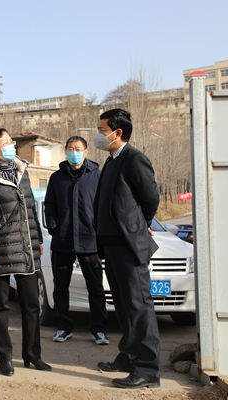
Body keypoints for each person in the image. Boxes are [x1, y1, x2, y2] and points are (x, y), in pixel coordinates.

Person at [0, 127, 51, 377]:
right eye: (5, 143)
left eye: (10, 141)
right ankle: (4, 358)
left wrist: (37, 239)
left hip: (26, 248)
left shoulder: (21, 171)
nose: (11, 146)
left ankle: (32, 354)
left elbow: (30, 209)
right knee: (0, 307)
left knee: (31, 305)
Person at [93, 109, 161, 389]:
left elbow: (150, 198)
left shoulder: (134, 158)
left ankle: (147, 369)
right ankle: (129, 355)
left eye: (101, 129)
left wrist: (142, 223)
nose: (98, 135)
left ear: (117, 132)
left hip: (129, 245)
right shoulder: (111, 161)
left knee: (139, 306)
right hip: (111, 245)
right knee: (123, 305)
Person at [44, 136, 109, 345]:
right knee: (60, 287)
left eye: (78, 149)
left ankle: (99, 329)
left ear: (86, 152)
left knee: (96, 288)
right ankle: (63, 327)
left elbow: (104, 206)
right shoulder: (57, 178)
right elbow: (50, 205)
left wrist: (99, 230)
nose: (74, 152)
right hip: (63, 240)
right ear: (66, 151)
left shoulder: (97, 176)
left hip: (89, 241)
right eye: (70, 149)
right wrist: (54, 226)